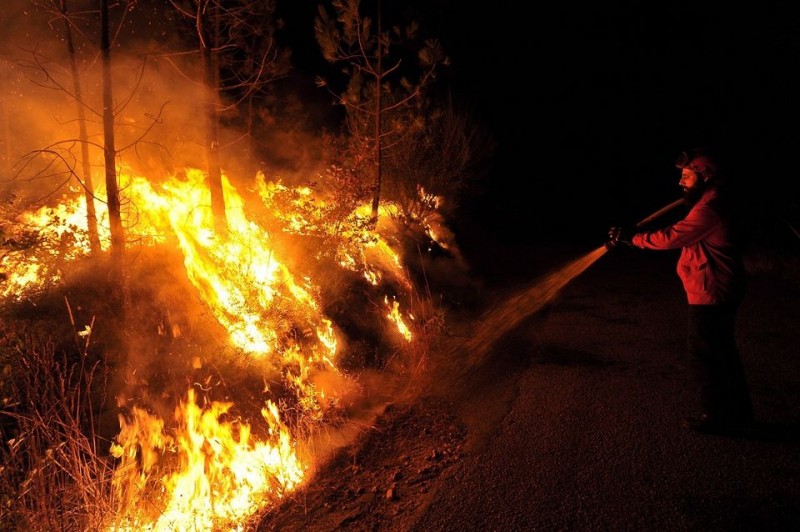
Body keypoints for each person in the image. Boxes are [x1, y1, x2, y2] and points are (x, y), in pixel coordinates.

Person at [607, 147, 754, 435]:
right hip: (715, 288)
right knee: (722, 354)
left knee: (706, 354)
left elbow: (673, 236)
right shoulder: (712, 202)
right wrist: (632, 235)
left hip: (712, 291)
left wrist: (633, 240)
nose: (681, 182)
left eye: (686, 176)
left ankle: (718, 416)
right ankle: (738, 415)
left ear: (706, 176)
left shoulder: (711, 209)